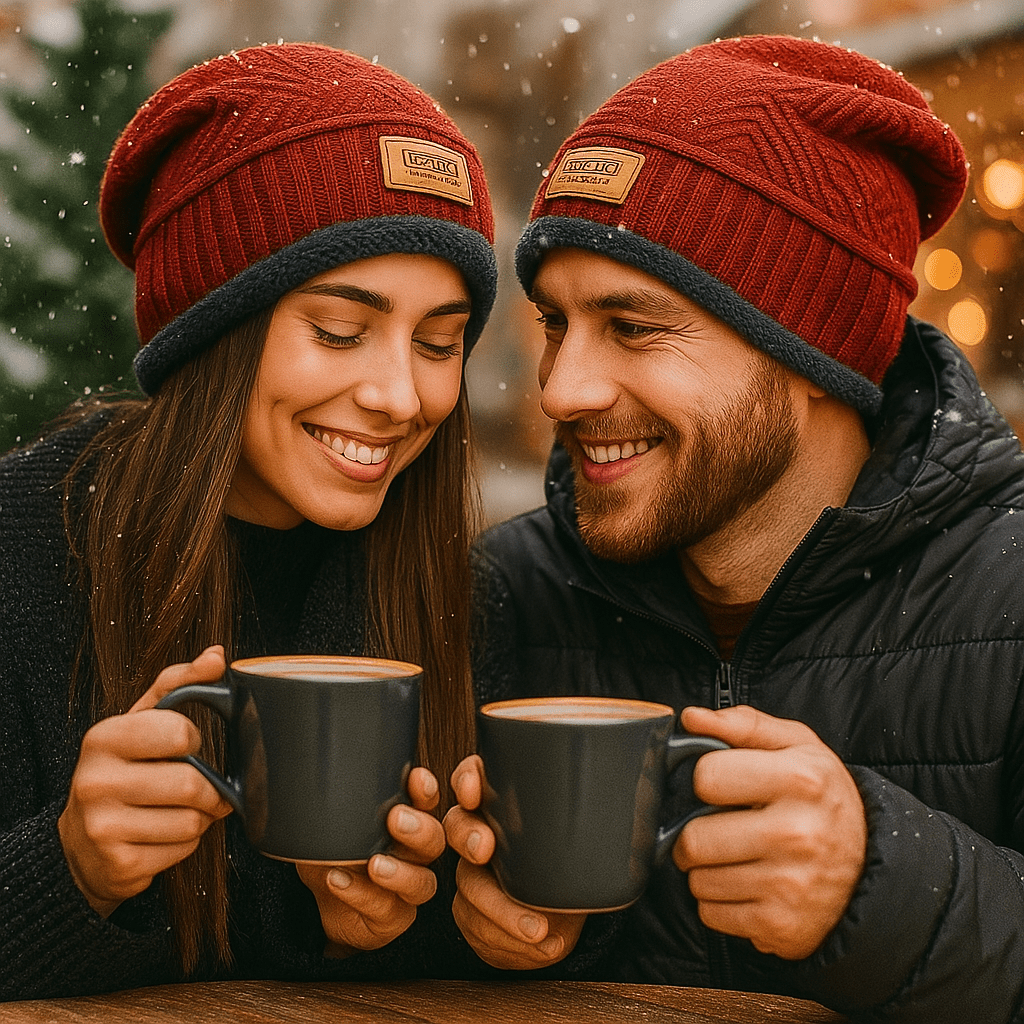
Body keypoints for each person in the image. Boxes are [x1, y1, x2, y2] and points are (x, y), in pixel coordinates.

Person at [445, 34, 1024, 1023]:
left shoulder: (1008, 595)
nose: (562, 388)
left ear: (812, 349)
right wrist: (475, 927)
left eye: (632, 327)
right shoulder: (503, 592)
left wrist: (883, 888)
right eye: (554, 323)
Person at [0, 43, 498, 1000]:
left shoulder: (463, 591)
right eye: (340, 332)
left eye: (440, 343)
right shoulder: (21, 549)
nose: (400, 397)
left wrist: (370, 936)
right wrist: (69, 872)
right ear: (213, 328)